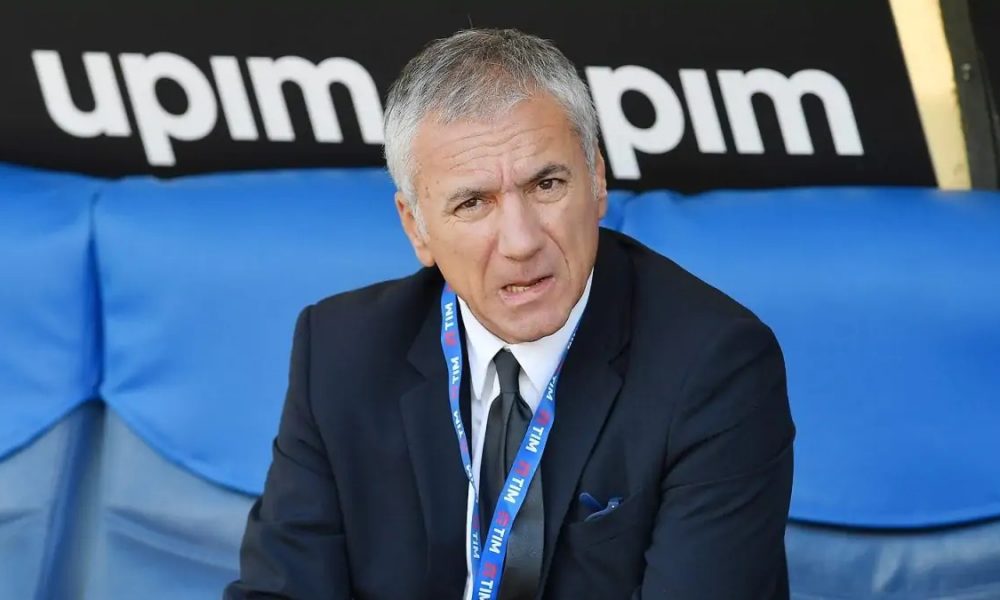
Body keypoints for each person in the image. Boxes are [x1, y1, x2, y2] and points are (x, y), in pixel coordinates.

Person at [225, 28, 795, 600]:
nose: (521, 243)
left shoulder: (716, 366)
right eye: (473, 203)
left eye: (547, 184)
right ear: (416, 227)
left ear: (598, 180)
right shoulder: (339, 350)